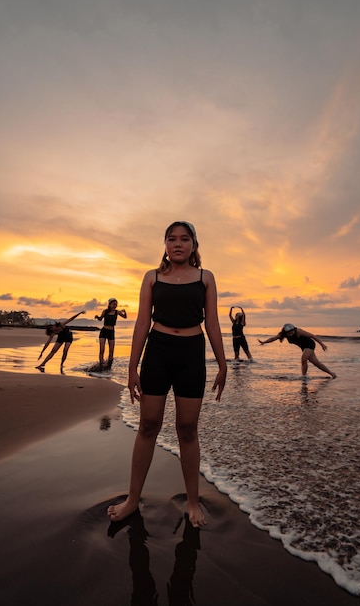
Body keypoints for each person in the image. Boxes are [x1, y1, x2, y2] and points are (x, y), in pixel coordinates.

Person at [107, 221, 227, 528]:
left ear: (193, 245)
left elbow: (212, 323)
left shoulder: (205, 278)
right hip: (158, 352)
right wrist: (132, 367)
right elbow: (141, 324)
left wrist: (223, 363)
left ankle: (192, 501)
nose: (178, 244)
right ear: (164, 244)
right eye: (172, 239)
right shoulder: (152, 278)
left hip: (191, 354)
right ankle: (133, 500)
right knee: (148, 424)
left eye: (184, 239)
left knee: (187, 429)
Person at [258, 323, 336, 378]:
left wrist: (322, 344)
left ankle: (304, 376)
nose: (291, 334)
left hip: (310, 344)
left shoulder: (298, 331)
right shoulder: (283, 334)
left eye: (292, 332)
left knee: (303, 359)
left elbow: (312, 336)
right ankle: (332, 374)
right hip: (304, 348)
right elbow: (273, 338)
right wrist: (264, 342)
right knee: (317, 364)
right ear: (285, 333)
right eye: (289, 333)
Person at [94, 298, 127, 370]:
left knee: (111, 350)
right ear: (109, 304)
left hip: (111, 332)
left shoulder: (117, 312)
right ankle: (101, 364)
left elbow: (125, 317)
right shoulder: (105, 311)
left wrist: (125, 312)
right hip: (104, 331)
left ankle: (109, 366)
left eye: (116, 304)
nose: (115, 305)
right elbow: (100, 319)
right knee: (102, 349)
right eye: (113, 304)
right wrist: (97, 317)